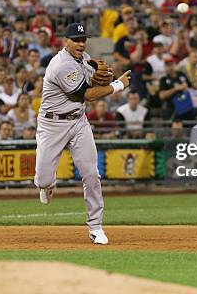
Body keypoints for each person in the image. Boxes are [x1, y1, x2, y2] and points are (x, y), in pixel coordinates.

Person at [35, 23, 131, 245]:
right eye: (75, 39)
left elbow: (96, 82)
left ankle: (96, 226)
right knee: (43, 179)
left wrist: (101, 74)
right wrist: (118, 85)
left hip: (78, 122)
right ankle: (46, 185)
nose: (80, 43)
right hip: (52, 125)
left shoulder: (84, 58)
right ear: (65, 41)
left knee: (91, 174)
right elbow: (87, 95)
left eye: (82, 39)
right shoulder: (60, 65)